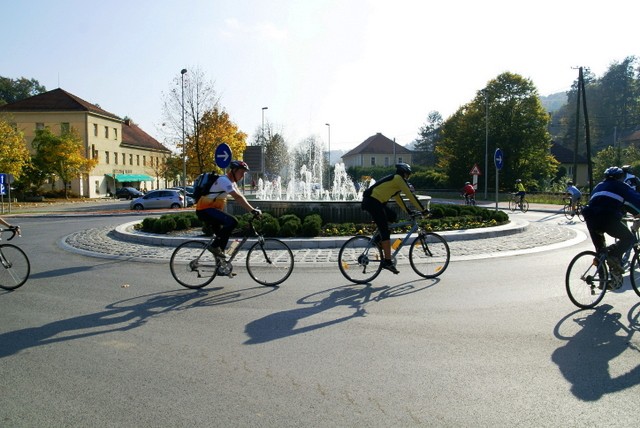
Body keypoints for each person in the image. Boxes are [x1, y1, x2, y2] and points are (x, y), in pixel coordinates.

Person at [361, 163, 429, 274]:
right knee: (385, 231)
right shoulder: (398, 179)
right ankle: (387, 261)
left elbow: (398, 198)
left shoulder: (395, 181)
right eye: (407, 175)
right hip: (372, 202)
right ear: (403, 173)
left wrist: (408, 211)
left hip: (377, 202)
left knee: (393, 216)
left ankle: (378, 240)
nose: (407, 177)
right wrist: (423, 210)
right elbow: (410, 196)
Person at [582, 166, 640, 280]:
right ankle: (613, 255)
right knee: (629, 238)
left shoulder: (598, 186)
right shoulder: (622, 186)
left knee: (600, 251)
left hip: (590, 218)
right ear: (621, 177)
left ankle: (603, 281)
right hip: (607, 219)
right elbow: (636, 200)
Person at [195, 160, 261, 259]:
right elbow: (237, 197)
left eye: (244, 173)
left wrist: (251, 208)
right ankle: (214, 247)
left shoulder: (232, 183)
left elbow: (241, 196)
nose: (243, 176)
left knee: (223, 237)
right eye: (241, 172)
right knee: (233, 222)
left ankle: (221, 266)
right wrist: (252, 210)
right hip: (204, 210)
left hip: (213, 211)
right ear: (234, 170)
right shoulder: (223, 180)